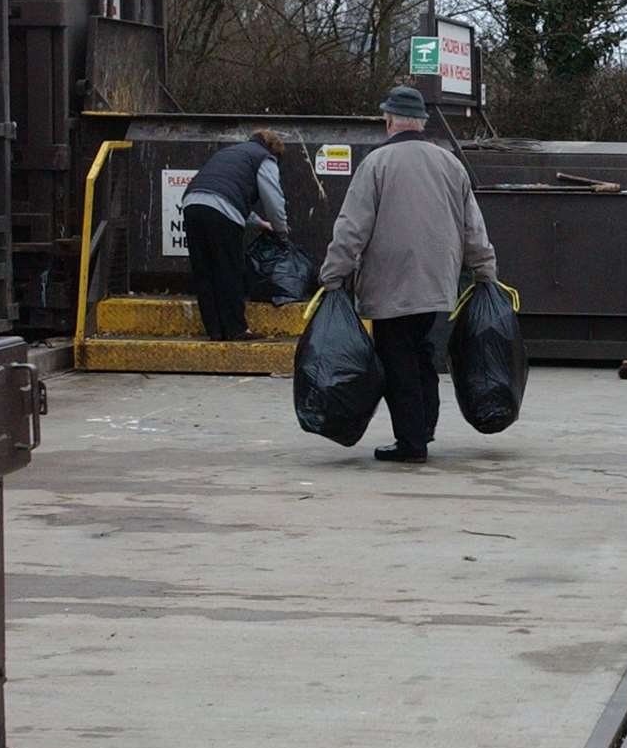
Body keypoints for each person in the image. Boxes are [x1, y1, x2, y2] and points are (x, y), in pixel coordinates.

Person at [321, 86, 497, 464]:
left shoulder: (376, 164)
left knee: (397, 358)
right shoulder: (450, 164)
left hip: (391, 282)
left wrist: (333, 275)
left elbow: (352, 228)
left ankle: (411, 442)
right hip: (438, 281)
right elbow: (473, 227)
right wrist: (485, 271)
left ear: (388, 121)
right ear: (422, 122)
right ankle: (424, 428)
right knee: (421, 352)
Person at [182, 129, 290, 341]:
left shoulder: (231, 153)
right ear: (273, 150)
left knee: (204, 271)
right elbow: (274, 200)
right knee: (228, 269)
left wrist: (259, 223)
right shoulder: (265, 158)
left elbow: (225, 190)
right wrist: (281, 231)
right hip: (221, 209)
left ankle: (215, 330)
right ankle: (236, 329)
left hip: (191, 204)